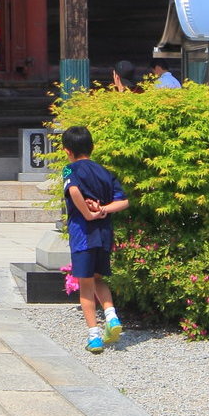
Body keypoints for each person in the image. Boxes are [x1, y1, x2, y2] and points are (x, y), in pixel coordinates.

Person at [60, 124, 130, 354]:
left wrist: (88, 214)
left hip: (83, 235)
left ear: (67, 150)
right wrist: (104, 210)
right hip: (103, 234)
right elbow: (124, 202)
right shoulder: (104, 172)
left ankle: (94, 336)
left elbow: (73, 191)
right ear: (92, 147)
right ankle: (111, 316)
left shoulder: (70, 170)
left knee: (85, 285)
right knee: (99, 278)